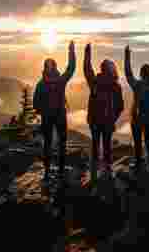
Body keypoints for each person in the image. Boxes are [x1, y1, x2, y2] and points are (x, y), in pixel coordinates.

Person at [33, 41, 76, 187]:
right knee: (62, 142)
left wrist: (43, 111)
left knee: (47, 144)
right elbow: (71, 69)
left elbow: (35, 103)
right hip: (59, 115)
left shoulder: (41, 83)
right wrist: (71, 51)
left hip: (47, 117)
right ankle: (61, 170)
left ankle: (46, 171)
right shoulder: (60, 81)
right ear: (55, 68)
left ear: (44, 68)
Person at [84, 43, 124, 185]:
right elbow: (120, 106)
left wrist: (87, 54)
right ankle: (106, 171)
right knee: (105, 145)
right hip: (104, 120)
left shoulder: (96, 82)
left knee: (96, 145)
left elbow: (87, 71)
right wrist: (113, 117)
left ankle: (95, 173)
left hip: (96, 120)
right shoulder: (114, 85)